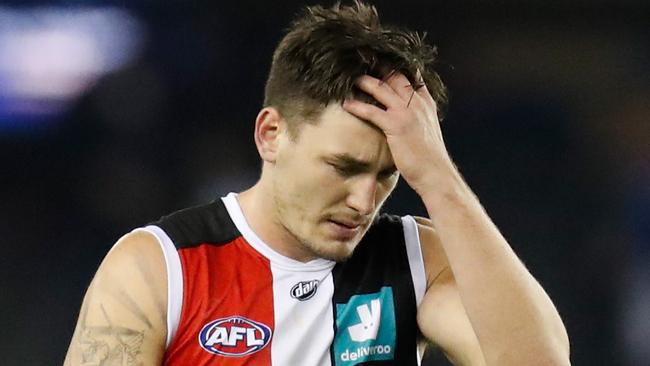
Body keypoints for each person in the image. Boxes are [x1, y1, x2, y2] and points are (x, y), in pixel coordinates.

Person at [64, 1, 570, 365]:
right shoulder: (159, 267)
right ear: (271, 135)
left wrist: (440, 181)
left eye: (389, 174)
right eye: (344, 167)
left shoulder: (416, 259)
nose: (363, 201)